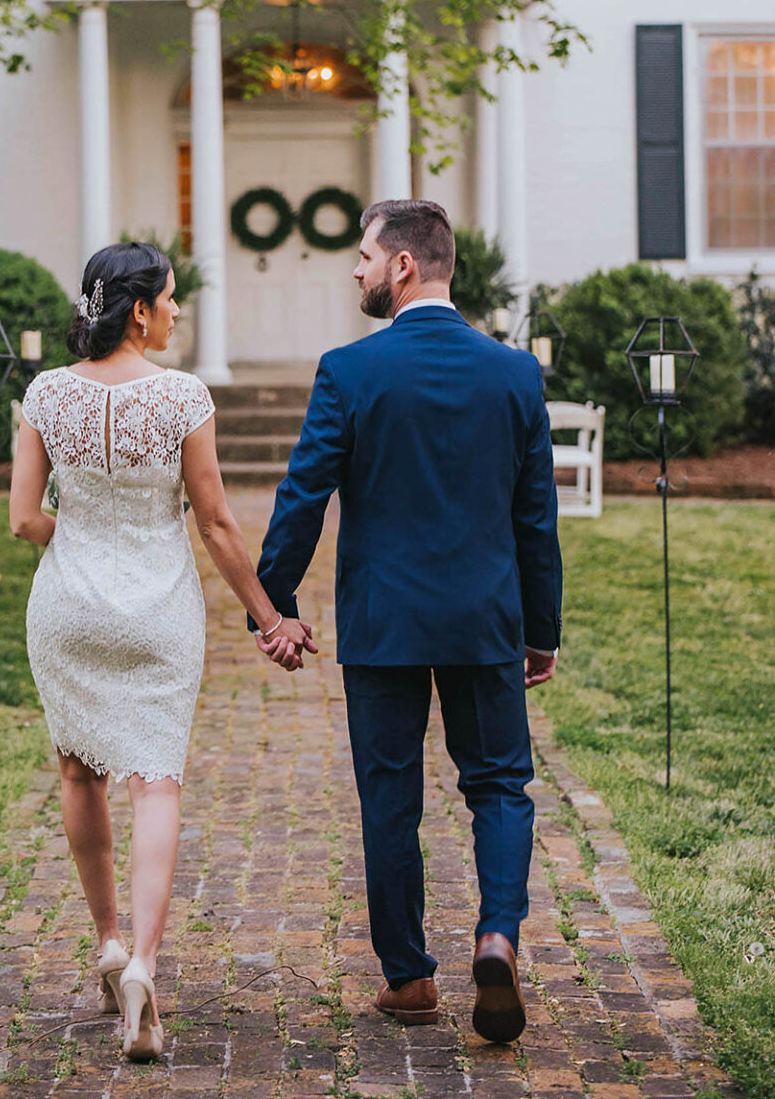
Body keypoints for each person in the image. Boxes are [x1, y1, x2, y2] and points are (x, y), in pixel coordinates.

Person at [254, 199, 562, 1043]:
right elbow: (536, 516)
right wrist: (541, 629)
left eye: (361, 256)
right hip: (484, 617)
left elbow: (303, 494)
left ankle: (410, 979)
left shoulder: (348, 372)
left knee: (388, 798)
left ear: (401, 267)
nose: (352, 269)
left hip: (384, 618)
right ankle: (496, 932)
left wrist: (272, 599)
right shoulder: (512, 374)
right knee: (498, 783)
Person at [9, 241, 314, 1061]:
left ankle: (107, 940)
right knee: (155, 782)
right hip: (157, 609)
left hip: (66, 605)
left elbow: (23, 519)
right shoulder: (182, 397)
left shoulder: (43, 394)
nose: (179, 310)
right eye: (172, 298)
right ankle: (144, 963)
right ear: (139, 310)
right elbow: (214, 523)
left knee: (78, 771)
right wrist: (267, 618)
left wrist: (76, 542)